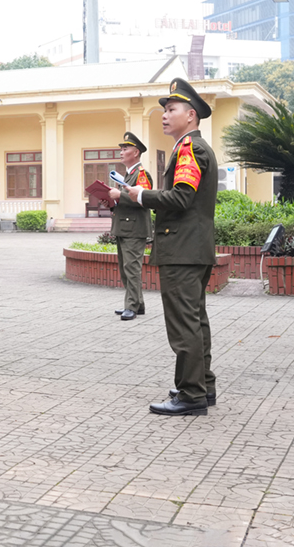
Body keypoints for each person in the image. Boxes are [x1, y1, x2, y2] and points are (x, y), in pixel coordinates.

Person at [127, 78, 218, 417]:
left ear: (190, 115)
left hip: (182, 249)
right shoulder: (193, 147)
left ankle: (190, 394)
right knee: (196, 321)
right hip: (193, 247)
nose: (164, 115)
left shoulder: (189, 149)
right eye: (164, 110)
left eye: (171, 110)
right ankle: (202, 385)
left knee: (184, 325)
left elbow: (181, 197)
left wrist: (140, 195)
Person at [106, 132, 153, 321]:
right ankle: (137, 304)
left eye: (125, 149)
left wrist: (120, 196)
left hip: (134, 229)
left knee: (132, 269)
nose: (121, 152)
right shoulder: (128, 174)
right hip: (125, 228)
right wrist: (110, 201)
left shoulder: (141, 174)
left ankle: (131, 306)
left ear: (136, 152)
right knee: (126, 269)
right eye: (121, 149)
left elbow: (144, 199)